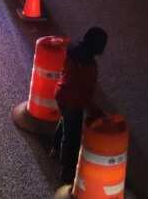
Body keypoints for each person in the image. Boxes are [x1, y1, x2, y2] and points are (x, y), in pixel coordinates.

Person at [53, 27, 108, 184]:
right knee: (72, 138)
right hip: (73, 102)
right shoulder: (88, 66)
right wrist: (95, 111)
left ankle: (55, 148)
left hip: (61, 94)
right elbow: (82, 93)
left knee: (65, 121)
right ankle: (66, 171)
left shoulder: (73, 51)